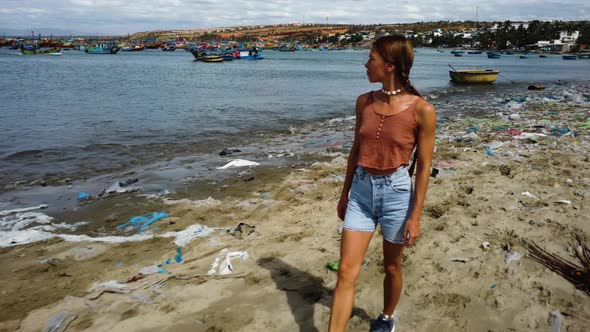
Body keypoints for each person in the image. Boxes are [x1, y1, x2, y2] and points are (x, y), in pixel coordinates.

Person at [328, 35, 436, 332]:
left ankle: (387, 317)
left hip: (397, 195)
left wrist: (415, 216)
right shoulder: (364, 101)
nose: (366, 65)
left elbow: (425, 166)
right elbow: (355, 150)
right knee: (346, 272)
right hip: (361, 194)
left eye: (371, 59)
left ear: (389, 66)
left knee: (391, 266)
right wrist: (344, 194)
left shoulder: (422, 110)